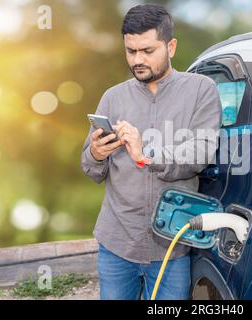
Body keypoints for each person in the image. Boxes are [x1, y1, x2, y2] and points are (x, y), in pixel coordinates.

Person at [81, 4, 222, 300]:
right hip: (117, 243)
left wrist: (145, 154)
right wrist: (95, 153)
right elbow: (92, 170)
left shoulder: (201, 89)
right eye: (131, 51)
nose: (137, 60)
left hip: (171, 244)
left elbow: (200, 154)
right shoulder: (113, 97)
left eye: (147, 50)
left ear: (170, 46)